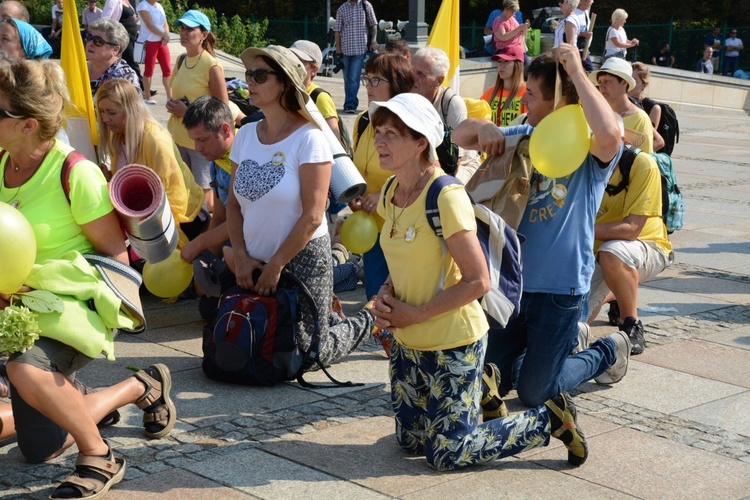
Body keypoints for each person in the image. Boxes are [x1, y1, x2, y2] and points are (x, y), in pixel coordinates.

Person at [369, 92, 589, 471]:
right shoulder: (391, 192)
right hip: (408, 343)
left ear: (421, 141)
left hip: (453, 342)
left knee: (446, 454)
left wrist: (414, 314)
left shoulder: (445, 196)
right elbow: (404, 256)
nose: (379, 142)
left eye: (391, 133)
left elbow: (478, 281)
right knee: (410, 442)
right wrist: (387, 293)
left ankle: (548, 419)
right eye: (378, 132)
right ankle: (482, 391)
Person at [0, 57, 176, 499]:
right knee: (39, 449)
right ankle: (140, 385)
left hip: (70, 307)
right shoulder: (0, 162)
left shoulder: (74, 172)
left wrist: (43, 282)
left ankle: (99, 455)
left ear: (27, 124)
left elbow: (116, 258)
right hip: (11, 307)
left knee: (26, 368)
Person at [453, 45, 629, 409]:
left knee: (536, 394)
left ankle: (606, 351)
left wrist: (578, 73)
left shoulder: (590, 151)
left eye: (531, 96)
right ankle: (542, 356)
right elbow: (459, 135)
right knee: (488, 382)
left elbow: (612, 134)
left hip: (559, 292)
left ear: (559, 101)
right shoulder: (525, 135)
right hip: (511, 288)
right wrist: (484, 126)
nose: (524, 103)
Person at [226, 45, 376, 368]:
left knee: (313, 353)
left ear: (284, 84)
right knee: (265, 342)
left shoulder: (310, 138)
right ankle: (328, 314)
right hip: (253, 257)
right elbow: (233, 206)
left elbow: (313, 215)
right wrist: (238, 254)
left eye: (260, 75)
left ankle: (370, 318)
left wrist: (277, 264)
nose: (250, 81)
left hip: (302, 258)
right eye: (249, 74)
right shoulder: (246, 135)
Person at [586, 129, 673, 356]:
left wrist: (580, 230)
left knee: (612, 253)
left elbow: (632, 229)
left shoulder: (641, 164)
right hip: (594, 250)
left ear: (621, 140)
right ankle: (616, 289)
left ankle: (630, 323)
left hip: (646, 245)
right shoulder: (580, 162)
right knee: (575, 319)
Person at [96, 78, 206, 247]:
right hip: (149, 229)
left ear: (130, 109)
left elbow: (175, 196)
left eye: (111, 112)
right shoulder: (117, 135)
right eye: (101, 112)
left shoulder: (155, 140)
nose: (105, 119)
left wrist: (163, 244)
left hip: (181, 226)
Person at [351, 53, 414, 299]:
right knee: (375, 302)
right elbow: (359, 166)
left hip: (403, 229)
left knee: (400, 302)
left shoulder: (410, 124)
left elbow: (426, 174)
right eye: (367, 78)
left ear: (397, 84)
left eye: (377, 80)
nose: (368, 86)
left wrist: (384, 195)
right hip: (371, 228)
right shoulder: (363, 120)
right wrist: (354, 194)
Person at [166, 9, 229, 213]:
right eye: (182, 28)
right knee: (183, 193)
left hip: (200, 144)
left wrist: (187, 111)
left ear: (204, 34)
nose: (183, 33)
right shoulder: (182, 59)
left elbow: (222, 109)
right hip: (178, 138)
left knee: (205, 200)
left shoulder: (211, 65)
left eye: (190, 29)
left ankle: (207, 238)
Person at [411, 46, 481, 183]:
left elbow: (457, 158)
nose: (413, 78)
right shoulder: (408, 96)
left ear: (439, 80)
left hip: (459, 166)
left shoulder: (452, 104)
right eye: (411, 71)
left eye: (420, 74)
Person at [180, 95, 234, 265]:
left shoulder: (246, 159)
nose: (198, 148)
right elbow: (219, 216)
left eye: (202, 139)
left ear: (226, 130)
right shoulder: (217, 161)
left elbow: (247, 221)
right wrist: (209, 262)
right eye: (194, 140)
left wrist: (199, 244)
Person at [590, 57, 658, 153]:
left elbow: (645, 162)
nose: (602, 86)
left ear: (624, 83)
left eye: (607, 81)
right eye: (600, 82)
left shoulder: (640, 119)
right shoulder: (595, 113)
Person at [290, 39, 343, 143]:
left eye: (299, 63)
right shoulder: (286, 93)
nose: (292, 66)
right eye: (290, 60)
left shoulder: (320, 97)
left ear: (314, 70)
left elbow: (334, 141)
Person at [334, 0, 378, 113]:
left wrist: (373, 41)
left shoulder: (366, 5)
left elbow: (373, 24)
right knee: (348, 79)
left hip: (360, 49)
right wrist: (338, 49)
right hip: (345, 49)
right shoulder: (342, 8)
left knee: (353, 78)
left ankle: (349, 105)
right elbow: (337, 30)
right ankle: (352, 102)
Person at [86, 17, 140, 99]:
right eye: (89, 37)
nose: (90, 43)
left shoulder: (125, 77)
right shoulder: (79, 68)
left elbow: (133, 110)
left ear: (115, 50)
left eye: (98, 41)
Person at [101, 0, 144, 97]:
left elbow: (132, 18)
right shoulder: (113, 1)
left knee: (129, 63)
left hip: (132, 37)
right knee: (132, 63)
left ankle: (133, 88)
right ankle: (142, 88)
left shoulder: (127, 2)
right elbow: (105, 18)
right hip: (122, 39)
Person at [480, 44, 527, 127]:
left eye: (506, 61)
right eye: (499, 61)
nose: (501, 66)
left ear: (518, 65)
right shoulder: (490, 92)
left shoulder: (527, 91)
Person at [136, 0, 172, 104]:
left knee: (167, 69)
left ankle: (170, 97)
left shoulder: (159, 6)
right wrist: (164, 35)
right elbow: (150, 25)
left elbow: (165, 23)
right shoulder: (143, 6)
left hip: (161, 41)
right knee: (149, 70)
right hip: (150, 41)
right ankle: (147, 97)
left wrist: (166, 35)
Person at [629, 62, 665, 153]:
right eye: (629, 79)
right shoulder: (621, 101)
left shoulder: (653, 108)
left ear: (644, 85)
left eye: (635, 80)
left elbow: (651, 140)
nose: (630, 84)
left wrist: (633, 155)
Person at [574, 0, 594, 71]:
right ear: (582, 1)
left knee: (589, 72)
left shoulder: (585, 13)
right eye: (590, 1)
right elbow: (568, 32)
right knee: (590, 71)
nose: (592, 2)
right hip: (576, 50)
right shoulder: (574, 14)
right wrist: (583, 34)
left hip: (584, 50)